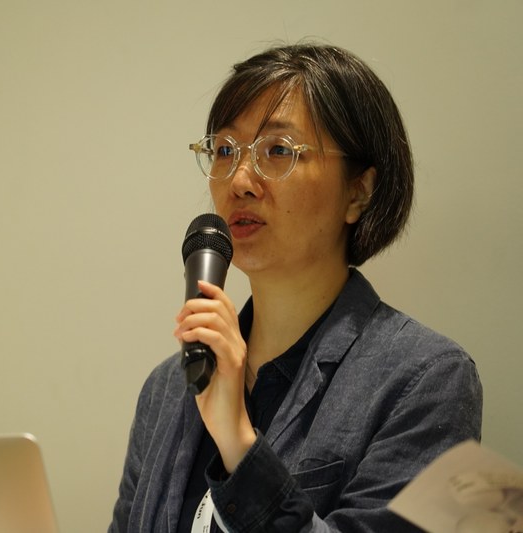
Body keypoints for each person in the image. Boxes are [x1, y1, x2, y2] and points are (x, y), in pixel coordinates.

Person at [109, 42, 483, 533]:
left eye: (278, 151)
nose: (240, 180)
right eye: (225, 151)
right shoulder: (167, 389)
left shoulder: (427, 380)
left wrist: (238, 442)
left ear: (359, 191)